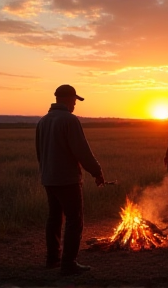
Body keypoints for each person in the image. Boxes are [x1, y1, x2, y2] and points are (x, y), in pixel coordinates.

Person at [36, 84, 105, 275]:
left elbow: (39, 152)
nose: (75, 104)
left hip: (49, 178)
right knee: (75, 220)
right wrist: (97, 172)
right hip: (67, 180)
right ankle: (69, 264)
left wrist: (46, 172)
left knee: (54, 218)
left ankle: (52, 259)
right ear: (68, 99)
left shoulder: (43, 121)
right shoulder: (70, 120)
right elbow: (82, 151)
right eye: (75, 100)